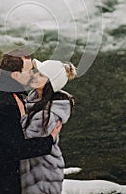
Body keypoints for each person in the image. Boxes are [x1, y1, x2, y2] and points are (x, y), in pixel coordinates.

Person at [0, 49, 62, 194]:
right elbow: (18, 149)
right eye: (28, 71)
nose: (32, 74)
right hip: (0, 183)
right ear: (16, 75)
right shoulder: (5, 104)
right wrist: (50, 139)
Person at [19, 58, 77, 194]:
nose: (34, 75)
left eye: (41, 75)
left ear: (50, 83)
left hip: (43, 174)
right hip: (31, 171)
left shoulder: (50, 113)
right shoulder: (33, 100)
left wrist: (20, 114)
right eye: (36, 72)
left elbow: (28, 139)